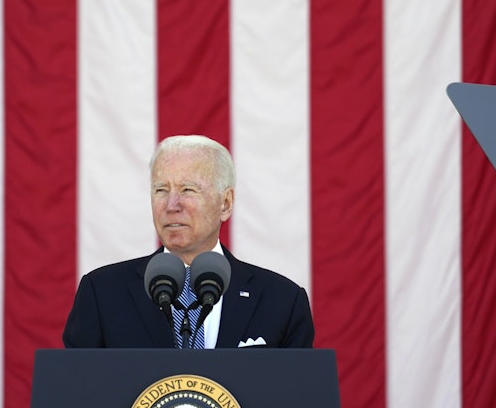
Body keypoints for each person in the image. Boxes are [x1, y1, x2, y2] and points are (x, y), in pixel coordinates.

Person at [62, 134, 314, 348]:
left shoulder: (281, 301)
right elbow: (76, 394)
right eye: (161, 190)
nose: (171, 205)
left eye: (188, 190)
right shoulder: (102, 294)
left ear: (225, 204)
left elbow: (297, 400)